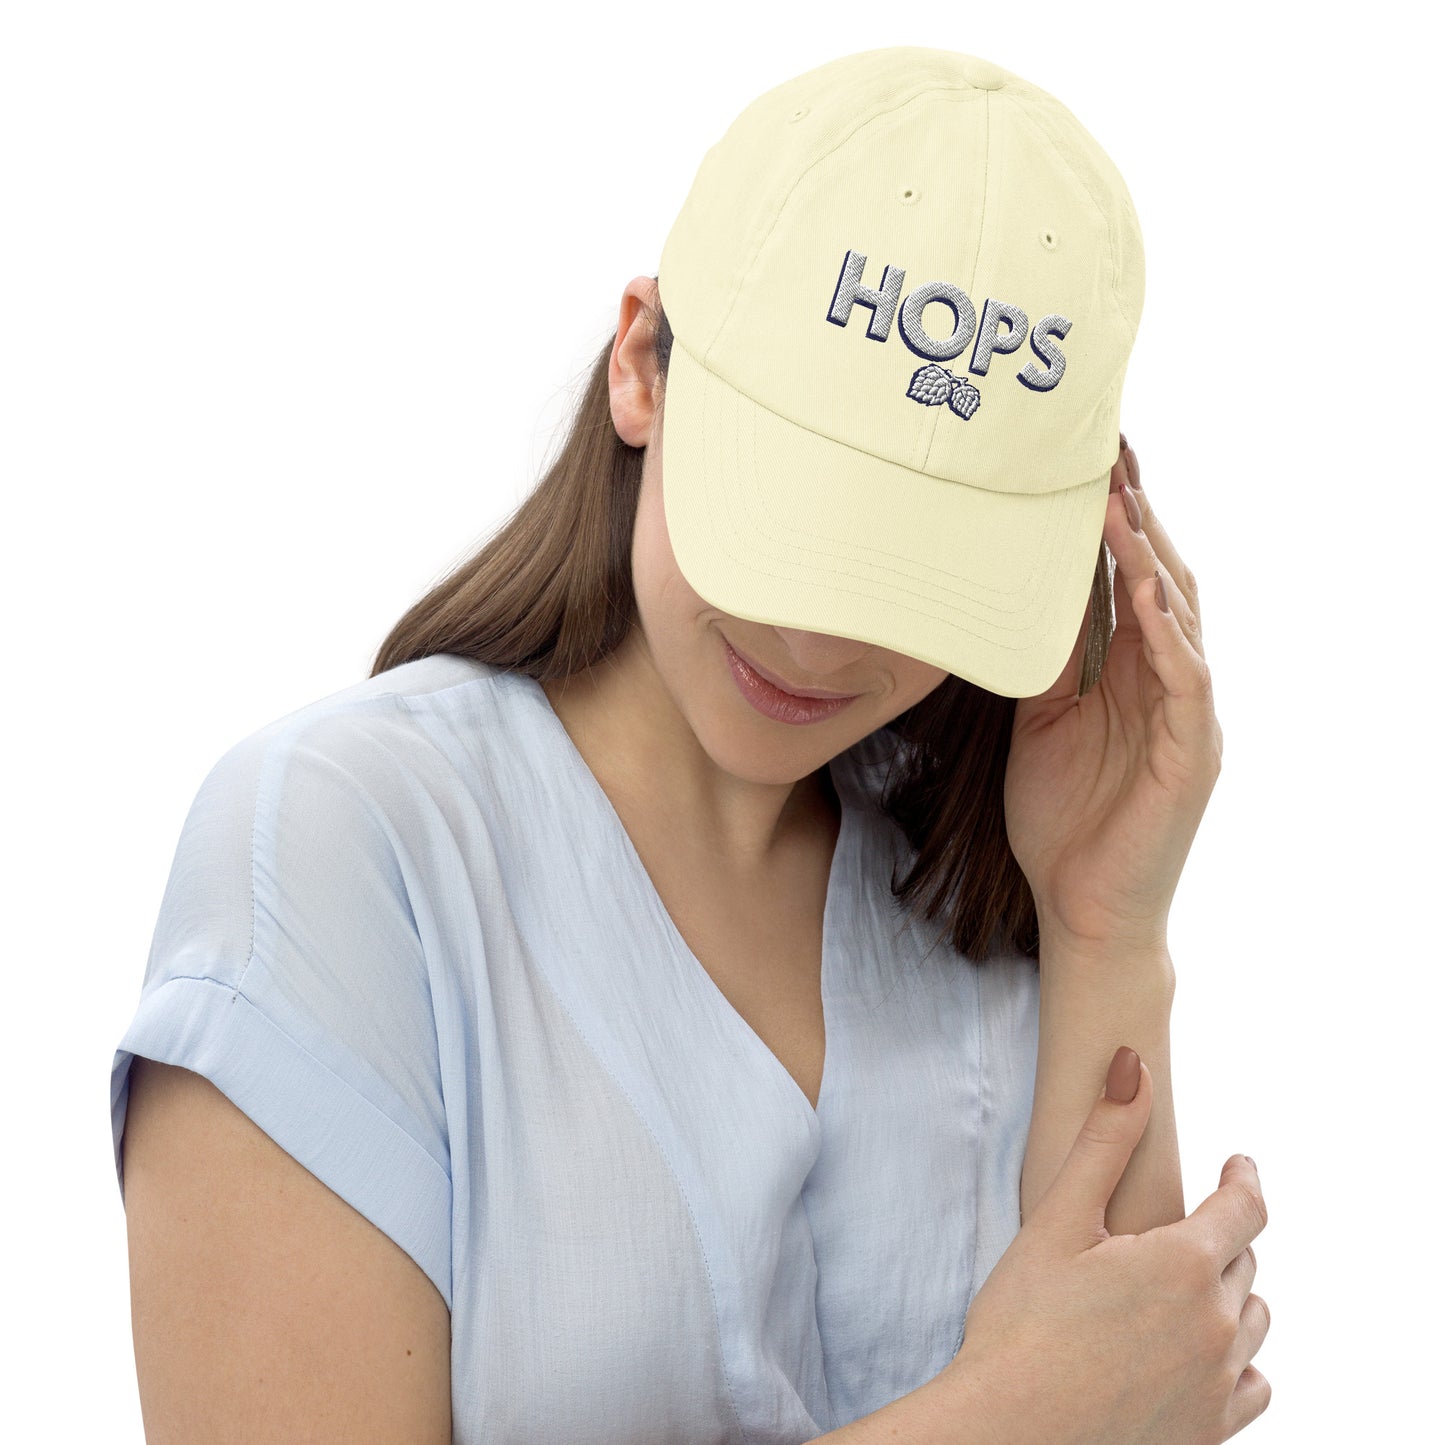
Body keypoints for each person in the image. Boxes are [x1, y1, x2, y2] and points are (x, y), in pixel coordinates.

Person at [110, 45, 1271, 1443]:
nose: (820, 644)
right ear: (642, 366)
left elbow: (1139, 1402)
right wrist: (1004, 1416)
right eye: (787, 523)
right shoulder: (343, 847)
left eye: (919, 574)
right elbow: (1076, 1407)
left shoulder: (986, 878)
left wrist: (1104, 925)